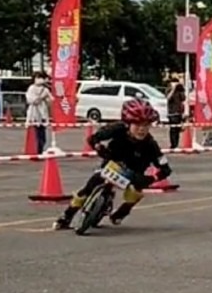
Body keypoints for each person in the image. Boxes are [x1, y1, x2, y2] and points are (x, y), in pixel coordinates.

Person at [52, 98, 170, 231]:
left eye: (146, 125)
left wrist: (151, 179)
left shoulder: (151, 145)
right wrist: (98, 147)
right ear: (127, 123)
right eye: (137, 125)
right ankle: (67, 216)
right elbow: (93, 138)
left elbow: (165, 169)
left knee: (135, 192)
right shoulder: (116, 129)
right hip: (113, 164)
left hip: (134, 173)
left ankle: (120, 214)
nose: (142, 130)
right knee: (91, 185)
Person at [25, 72, 52, 154]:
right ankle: (36, 150)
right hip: (34, 114)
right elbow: (31, 100)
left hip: (43, 114)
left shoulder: (46, 90)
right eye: (38, 77)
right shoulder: (31, 88)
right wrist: (40, 98)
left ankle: (40, 149)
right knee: (35, 133)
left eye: (41, 78)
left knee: (42, 134)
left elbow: (50, 101)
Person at [166, 76, 186, 149]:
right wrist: (173, 89)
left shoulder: (179, 90)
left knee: (178, 129)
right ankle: (173, 145)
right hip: (172, 112)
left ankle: (176, 144)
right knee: (173, 129)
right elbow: (168, 98)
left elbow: (183, 98)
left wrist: (181, 87)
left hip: (179, 112)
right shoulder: (169, 89)